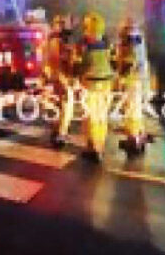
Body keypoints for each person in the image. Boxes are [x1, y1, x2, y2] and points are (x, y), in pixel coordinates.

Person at [79, 11, 115, 162]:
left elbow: (81, 65)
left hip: (91, 83)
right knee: (101, 116)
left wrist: (77, 79)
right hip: (106, 83)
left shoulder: (85, 45)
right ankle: (99, 144)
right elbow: (113, 62)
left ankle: (93, 148)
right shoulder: (107, 43)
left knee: (92, 116)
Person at [115, 18, 150, 155]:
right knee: (135, 108)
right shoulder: (138, 38)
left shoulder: (129, 40)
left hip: (132, 79)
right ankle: (139, 135)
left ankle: (133, 139)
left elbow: (129, 61)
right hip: (139, 78)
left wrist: (122, 77)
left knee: (131, 109)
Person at [48, 15, 79, 148]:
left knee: (59, 106)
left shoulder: (53, 39)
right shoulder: (58, 41)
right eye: (62, 24)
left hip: (57, 77)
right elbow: (65, 60)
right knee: (66, 106)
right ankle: (61, 134)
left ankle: (57, 131)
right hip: (62, 77)